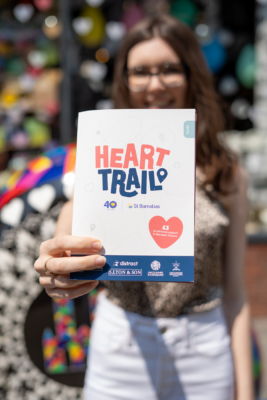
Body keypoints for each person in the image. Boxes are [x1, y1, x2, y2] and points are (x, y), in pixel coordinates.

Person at [34, 15, 254, 400]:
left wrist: (247, 391)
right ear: (125, 81)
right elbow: (66, 238)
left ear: (191, 75)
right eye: (141, 72)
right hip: (121, 348)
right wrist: (56, 270)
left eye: (170, 69)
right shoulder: (103, 158)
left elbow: (235, 293)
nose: (155, 84)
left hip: (204, 352)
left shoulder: (226, 170)